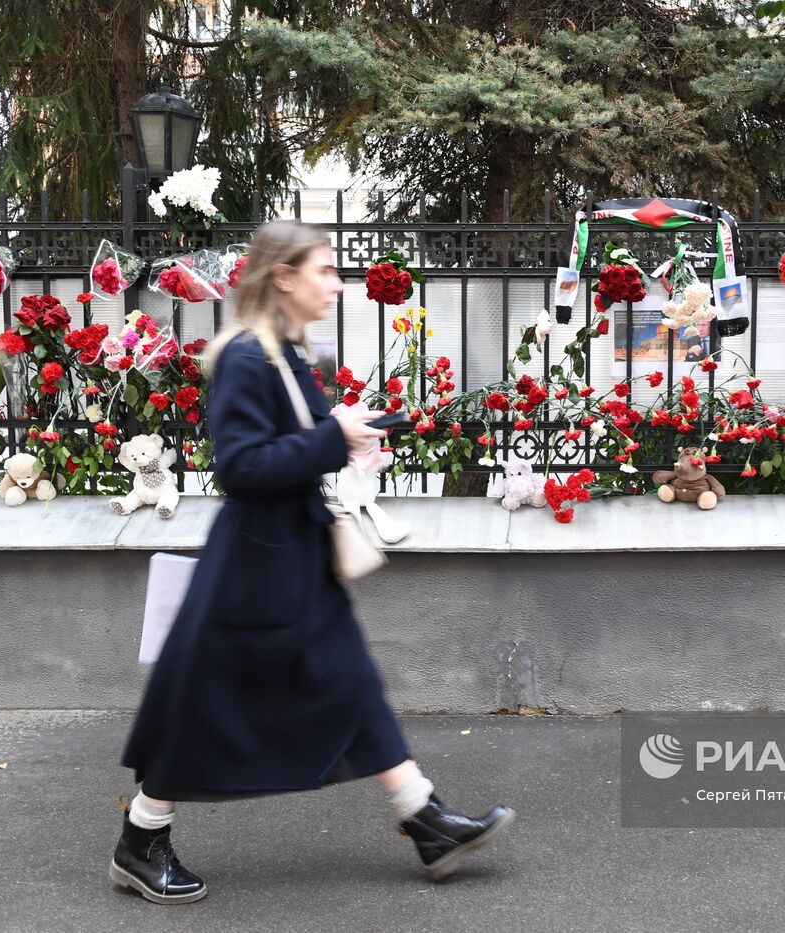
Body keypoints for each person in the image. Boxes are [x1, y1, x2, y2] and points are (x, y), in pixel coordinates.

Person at [112, 220, 513, 904]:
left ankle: (424, 816)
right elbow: (239, 468)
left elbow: (297, 443)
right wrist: (333, 434)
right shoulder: (246, 355)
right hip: (253, 568)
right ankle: (141, 838)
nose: (335, 282)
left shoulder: (286, 353)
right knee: (206, 704)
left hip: (294, 555)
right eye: (324, 270)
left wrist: (355, 428)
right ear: (284, 277)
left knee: (349, 679)